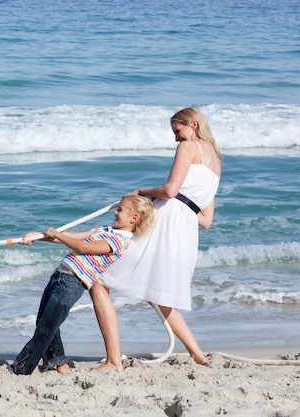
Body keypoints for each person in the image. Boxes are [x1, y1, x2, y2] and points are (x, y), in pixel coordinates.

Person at [93, 107, 222, 370]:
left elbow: (171, 190)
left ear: (193, 125)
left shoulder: (189, 147)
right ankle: (198, 355)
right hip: (185, 230)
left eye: (177, 131)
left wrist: (141, 192)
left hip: (166, 221)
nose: (176, 138)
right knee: (161, 294)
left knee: (99, 279)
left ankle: (113, 360)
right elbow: (206, 220)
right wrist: (183, 209)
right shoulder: (217, 162)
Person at [11, 194, 155, 375]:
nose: (115, 213)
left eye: (120, 210)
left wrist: (57, 234)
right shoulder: (105, 230)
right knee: (45, 322)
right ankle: (58, 363)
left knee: (46, 327)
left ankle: (21, 368)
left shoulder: (119, 241)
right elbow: (68, 237)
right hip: (59, 276)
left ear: (134, 218)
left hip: (71, 283)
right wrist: (39, 236)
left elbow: (83, 247)